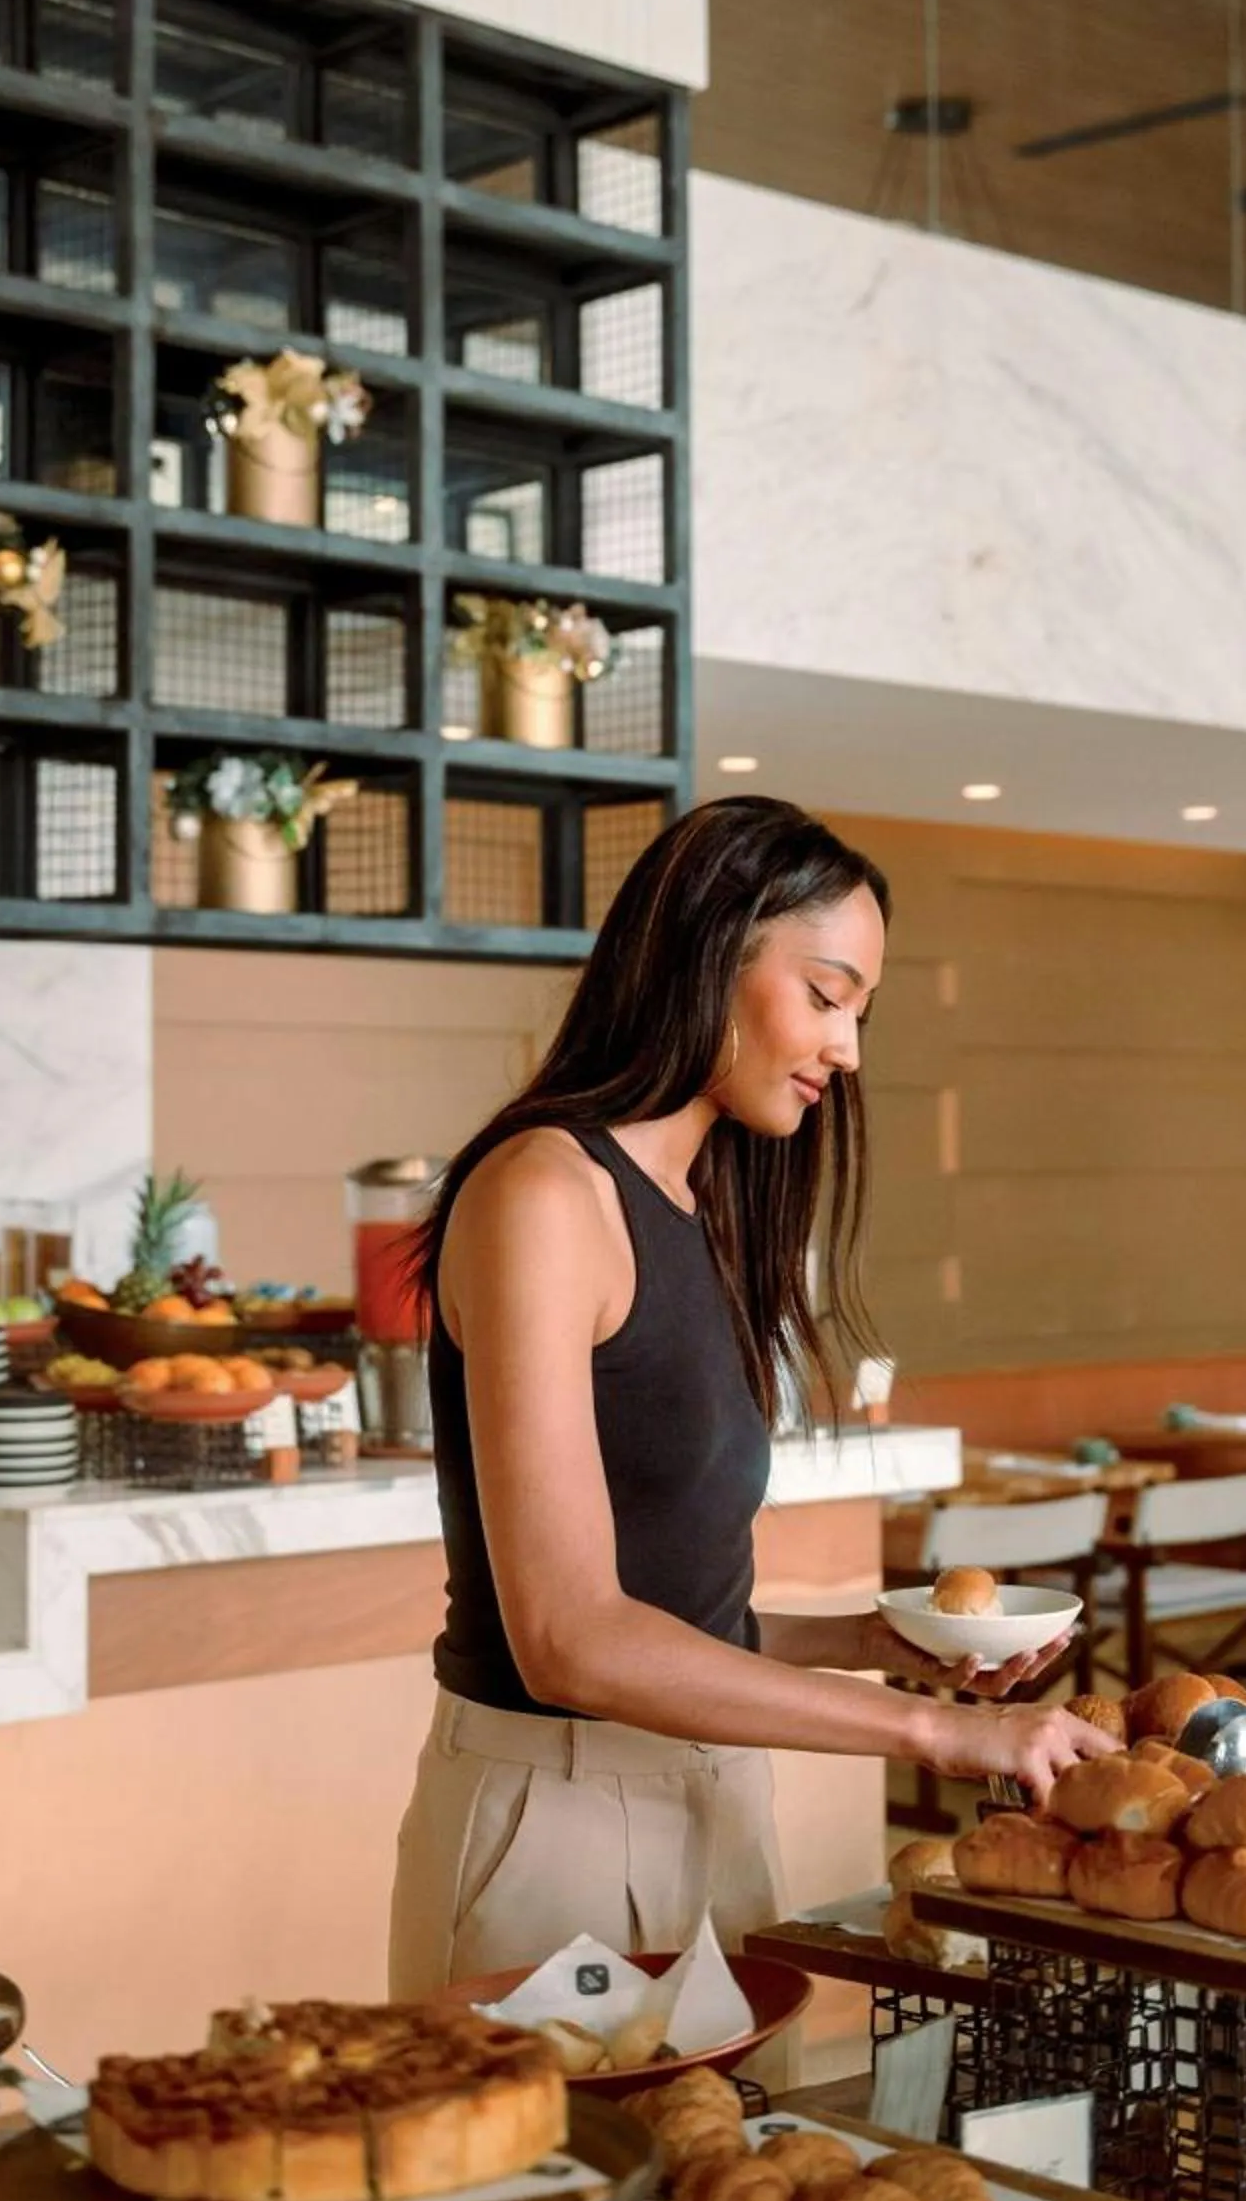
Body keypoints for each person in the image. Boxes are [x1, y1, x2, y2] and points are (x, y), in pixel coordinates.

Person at [388, 796, 1113, 1993]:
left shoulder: (695, 1212)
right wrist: (940, 1732)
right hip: (560, 1816)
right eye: (825, 997)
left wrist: (871, 1647)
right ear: (707, 952)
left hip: (712, 1794)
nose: (848, 1050)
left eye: (860, 1013)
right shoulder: (543, 1195)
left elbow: (666, 1613)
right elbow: (570, 1641)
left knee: (727, 2171)